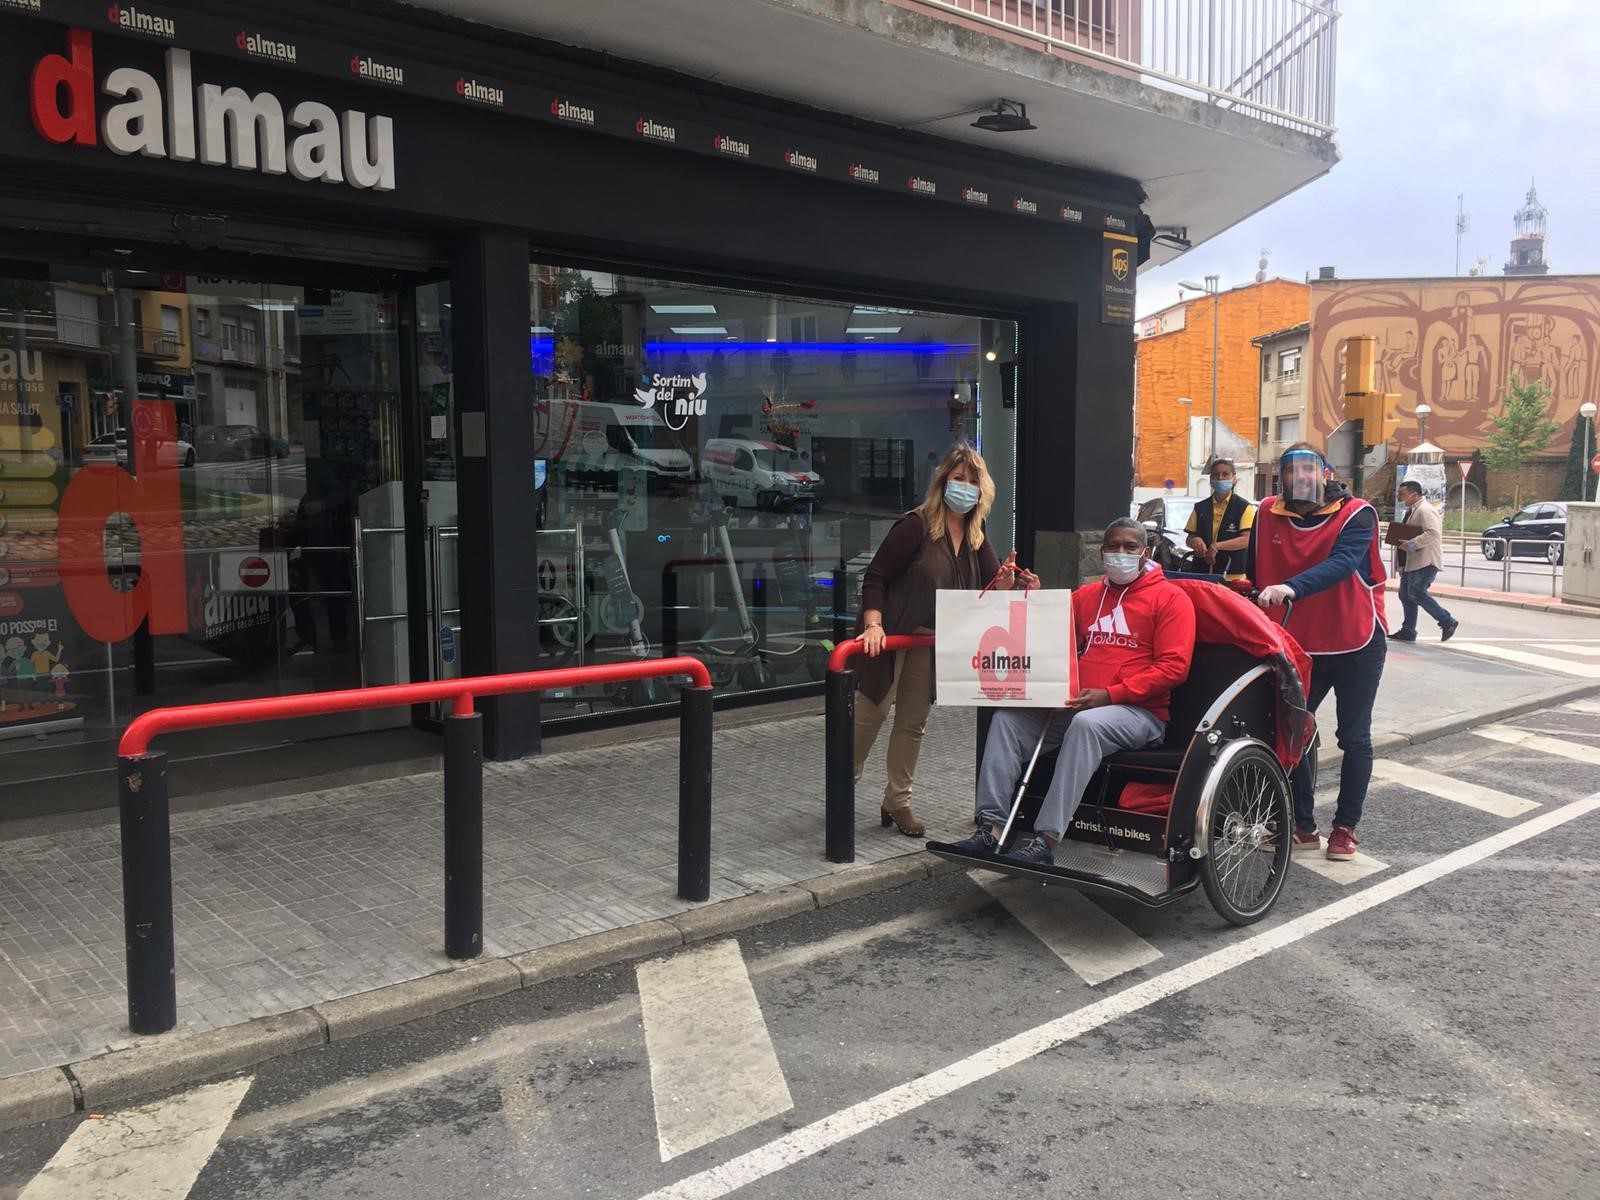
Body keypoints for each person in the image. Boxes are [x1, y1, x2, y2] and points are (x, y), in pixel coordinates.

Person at [950, 518, 1195, 866]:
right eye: (1113, 546)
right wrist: (1033, 597)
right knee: (1006, 720)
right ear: (1102, 551)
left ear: (1146, 553)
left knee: (1086, 724)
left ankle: (1046, 839)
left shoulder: (1171, 599)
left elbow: (1174, 668)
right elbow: (1050, 633)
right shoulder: (1088, 595)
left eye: (1130, 547)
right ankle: (991, 828)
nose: (1120, 553)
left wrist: (1109, 695)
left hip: (1141, 713)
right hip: (1078, 704)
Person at [854, 443, 1035, 838]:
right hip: (890, 638)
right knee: (869, 719)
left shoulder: (975, 536)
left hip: (927, 643)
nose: (964, 487)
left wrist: (1009, 582)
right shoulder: (915, 526)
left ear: (981, 491)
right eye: (958, 478)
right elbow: (876, 577)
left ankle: (897, 801)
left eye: (972, 481)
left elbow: (990, 588)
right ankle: (842, 785)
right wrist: (873, 625)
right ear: (942, 482)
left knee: (912, 723)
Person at [1249, 443, 1387, 863]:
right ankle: (1301, 826)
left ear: (1325, 474)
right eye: (1292, 470)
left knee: (1354, 736)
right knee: (1293, 732)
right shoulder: (1267, 513)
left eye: (1310, 468)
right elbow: (1254, 570)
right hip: (1298, 642)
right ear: (1282, 477)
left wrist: (1290, 587)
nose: (1301, 477)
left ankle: (1345, 828)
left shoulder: (1357, 513)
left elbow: (1343, 564)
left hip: (1355, 640)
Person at [1391, 479, 1458, 643]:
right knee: (1406, 595)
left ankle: (1446, 620)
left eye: (1402, 493)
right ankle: (1408, 630)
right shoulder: (1413, 510)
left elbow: (1433, 533)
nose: (1399, 496)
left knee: (1417, 593)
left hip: (1425, 561)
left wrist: (1412, 544)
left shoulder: (1425, 510)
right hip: (1412, 561)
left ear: (1414, 494)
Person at [1183, 457, 1256, 582]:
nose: (1220, 478)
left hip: (1232, 576)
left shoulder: (1244, 507)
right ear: (1210, 479)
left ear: (1234, 479)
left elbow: (1246, 540)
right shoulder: (1200, 507)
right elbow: (1189, 538)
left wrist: (1217, 546)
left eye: (1225, 474)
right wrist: (1195, 540)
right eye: (1216, 475)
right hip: (1201, 575)